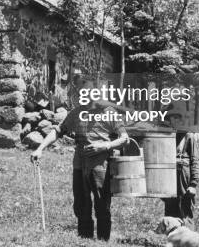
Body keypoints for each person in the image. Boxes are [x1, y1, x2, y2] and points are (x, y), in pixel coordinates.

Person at [30, 83, 129, 241]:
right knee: (81, 205)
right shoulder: (77, 112)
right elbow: (58, 130)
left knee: (102, 205)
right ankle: (84, 240)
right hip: (79, 165)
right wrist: (40, 148)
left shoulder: (109, 113)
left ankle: (103, 241)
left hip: (101, 166)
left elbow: (125, 139)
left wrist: (104, 145)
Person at [162, 113, 199, 230]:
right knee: (170, 210)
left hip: (183, 177)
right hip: (169, 177)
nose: (169, 122)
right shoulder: (166, 134)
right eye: (168, 120)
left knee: (185, 210)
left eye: (173, 119)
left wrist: (193, 184)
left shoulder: (189, 136)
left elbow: (195, 160)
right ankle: (173, 240)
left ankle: (189, 241)